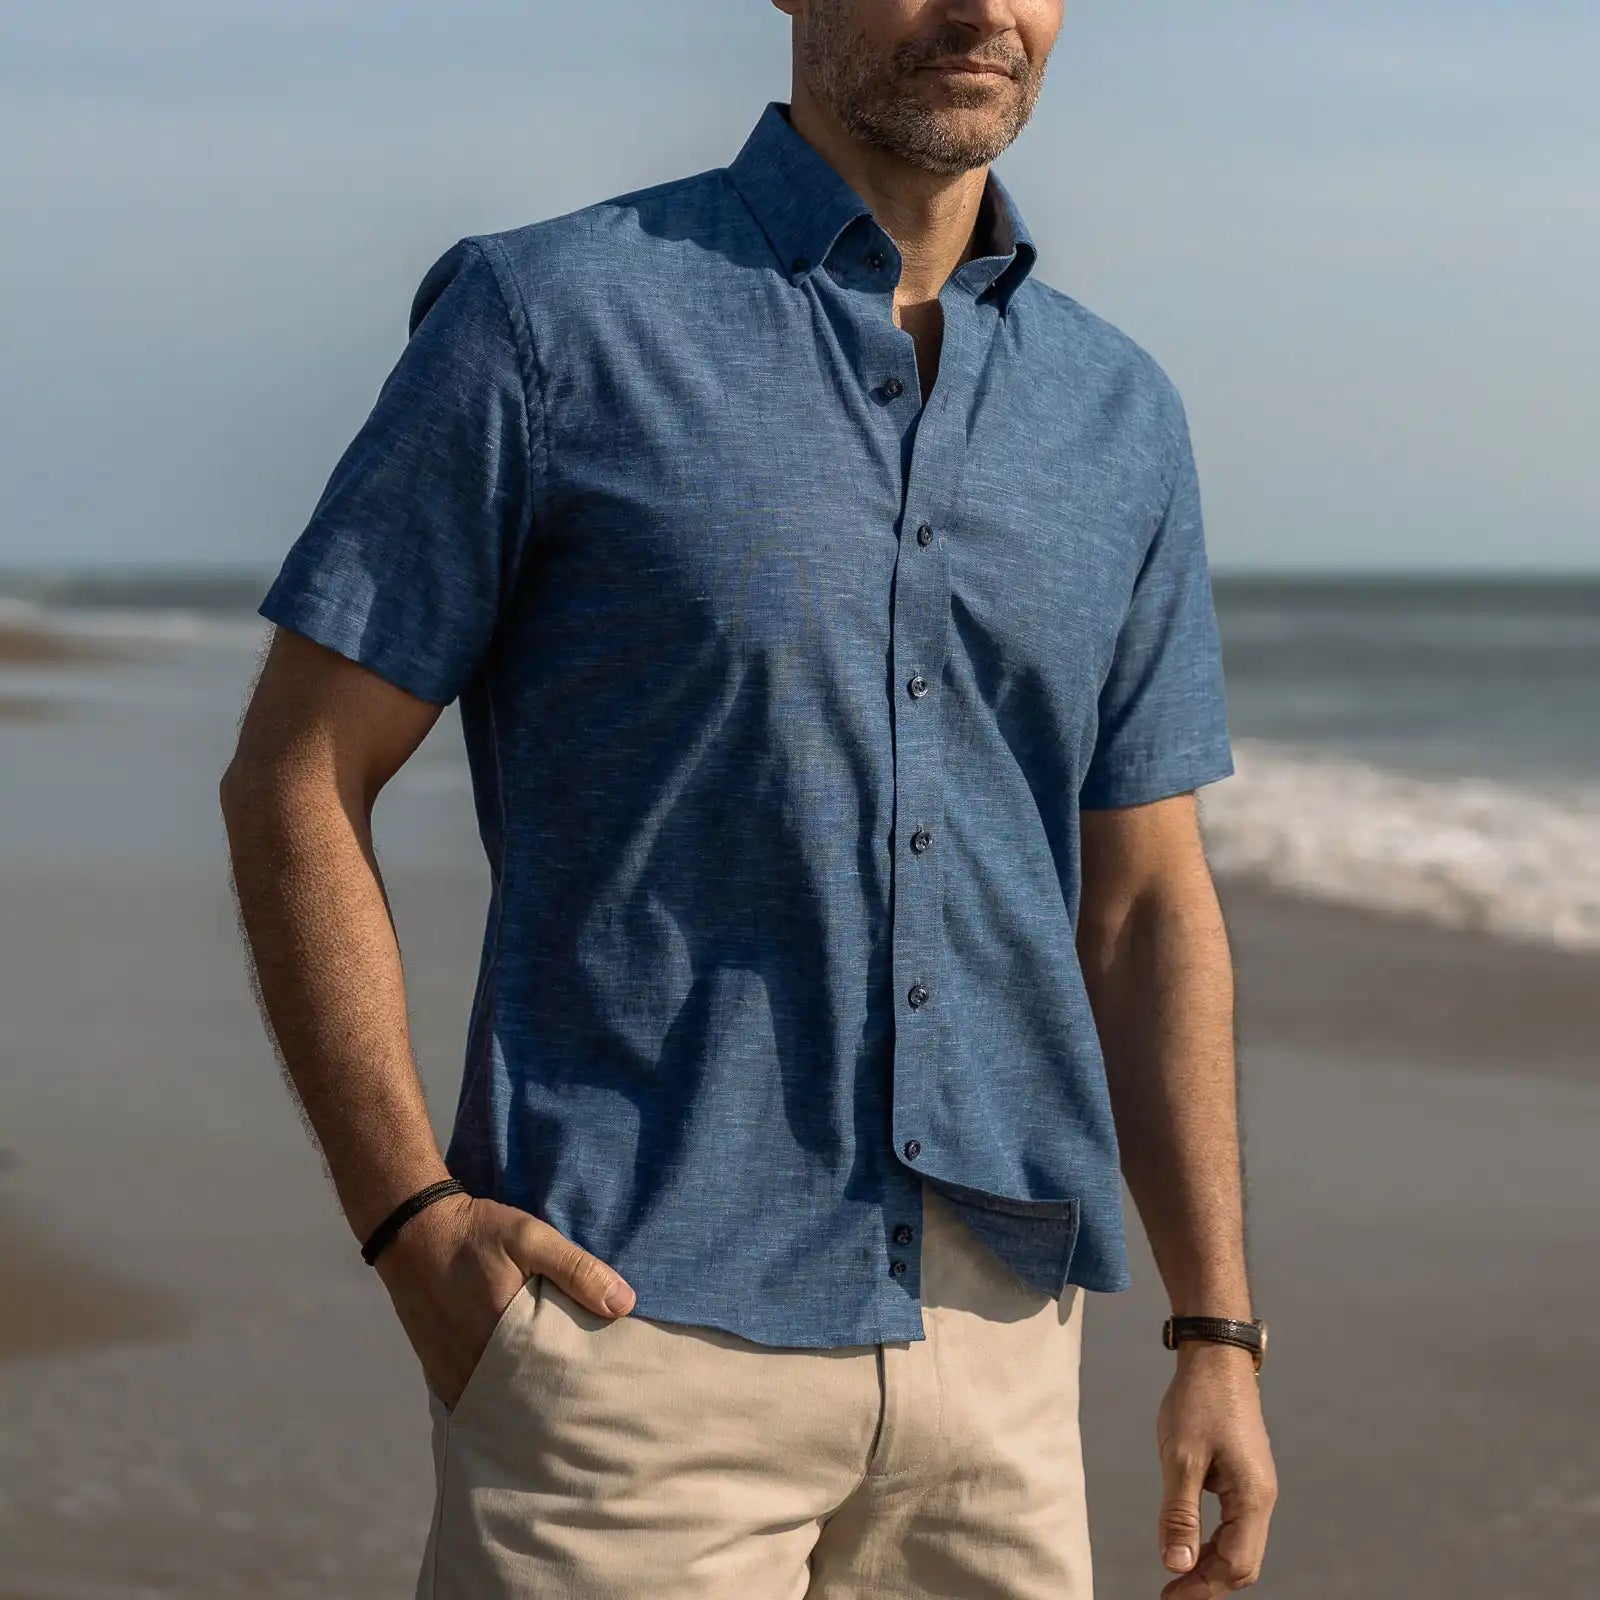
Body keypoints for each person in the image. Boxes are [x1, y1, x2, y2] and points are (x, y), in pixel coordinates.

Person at [220, 2, 1278, 1596]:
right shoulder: (549, 317)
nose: (986, 8)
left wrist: (1218, 1330)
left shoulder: (1121, 414)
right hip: (629, 1330)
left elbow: (1143, 903)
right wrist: (410, 1221)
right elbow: (298, 771)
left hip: (1002, 1353)